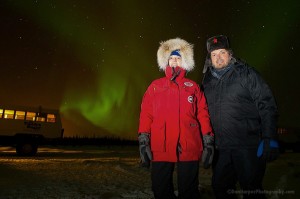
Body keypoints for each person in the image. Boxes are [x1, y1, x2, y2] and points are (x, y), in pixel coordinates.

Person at [201, 35, 280, 199]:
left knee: (251, 189)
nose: (218, 57)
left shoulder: (247, 74)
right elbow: (201, 113)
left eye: (222, 52)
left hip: (247, 146)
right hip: (220, 149)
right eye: (214, 55)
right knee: (220, 187)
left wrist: (269, 137)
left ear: (230, 54)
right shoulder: (206, 81)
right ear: (209, 59)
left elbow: (267, 104)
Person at [138, 38, 214, 199]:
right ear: (166, 60)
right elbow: (146, 113)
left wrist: (208, 138)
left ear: (184, 61)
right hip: (161, 145)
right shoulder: (155, 86)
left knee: (189, 191)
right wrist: (143, 139)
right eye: (171, 58)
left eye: (178, 57)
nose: (174, 61)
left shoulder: (193, 87)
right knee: (160, 189)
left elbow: (202, 113)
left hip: (189, 145)